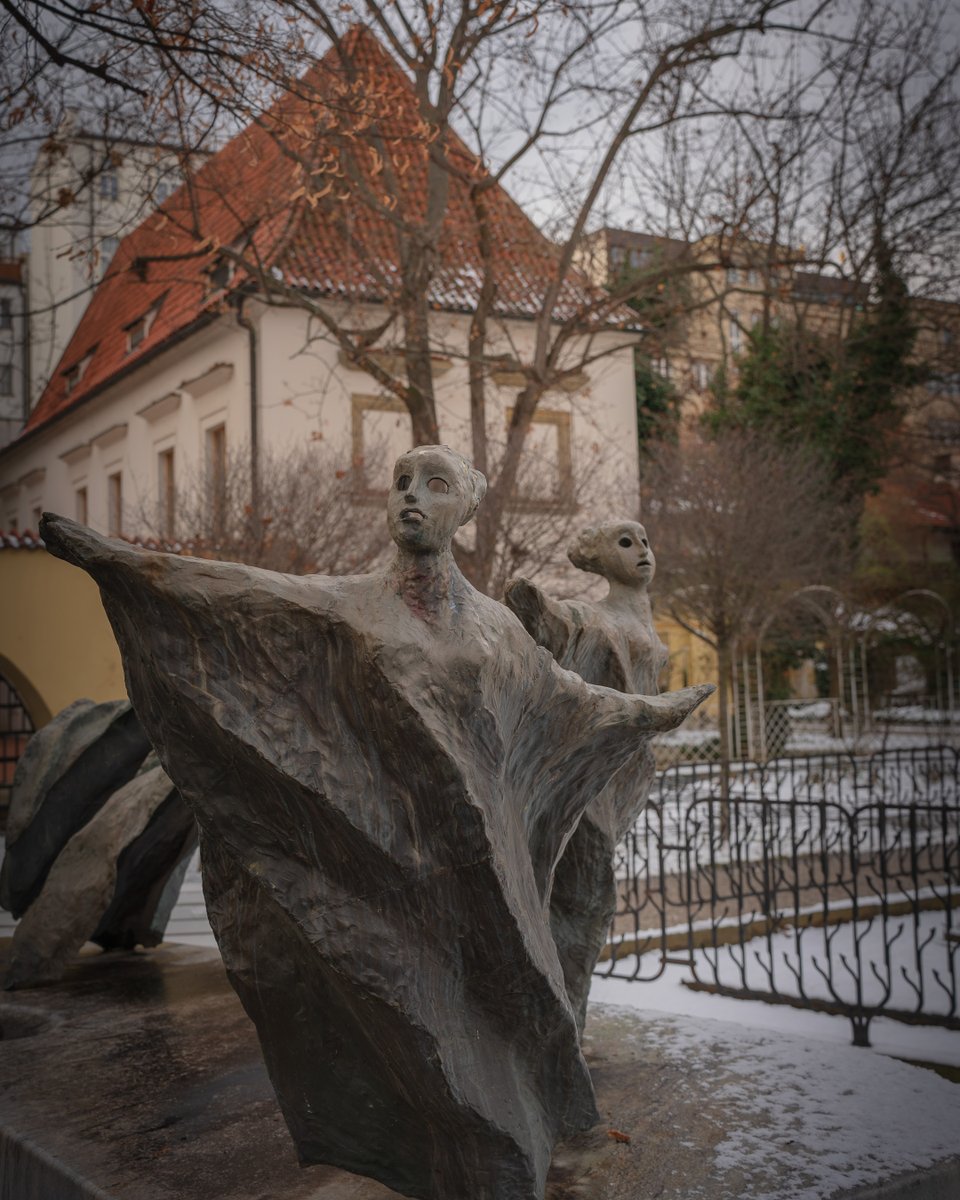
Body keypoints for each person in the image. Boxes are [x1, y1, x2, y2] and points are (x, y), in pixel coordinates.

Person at [41, 448, 711, 1200]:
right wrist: (122, 565)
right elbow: (241, 595)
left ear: (466, 509)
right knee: (415, 1025)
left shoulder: (493, 628)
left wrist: (651, 712)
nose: (411, 499)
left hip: (487, 871)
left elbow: (566, 699)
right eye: (400, 485)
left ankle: (500, 1141)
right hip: (388, 858)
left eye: (434, 486)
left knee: (511, 1008)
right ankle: (452, 1148)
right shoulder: (351, 602)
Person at [505, 521, 670, 1028]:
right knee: (586, 901)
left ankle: (559, 1022)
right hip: (587, 775)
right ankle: (557, 1027)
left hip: (625, 775)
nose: (641, 550)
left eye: (644, 540)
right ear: (598, 560)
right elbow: (562, 619)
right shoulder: (597, 618)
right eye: (625, 542)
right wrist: (531, 602)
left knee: (584, 901)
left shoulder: (642, 619)